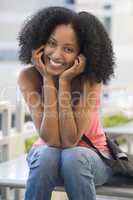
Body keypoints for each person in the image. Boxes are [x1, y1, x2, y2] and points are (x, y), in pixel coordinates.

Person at [18, 6, 115, 200]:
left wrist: (63, 81)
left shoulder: (91, 80)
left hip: (91, 157)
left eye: (68, 49)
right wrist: (47, 79)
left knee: (73, 156)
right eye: (51, 43)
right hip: (47, 159)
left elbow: (70, 141)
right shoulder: (29, 77)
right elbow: (52, 140)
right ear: (40, 42)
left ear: (83, 55)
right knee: (47, 155)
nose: (56, 54)